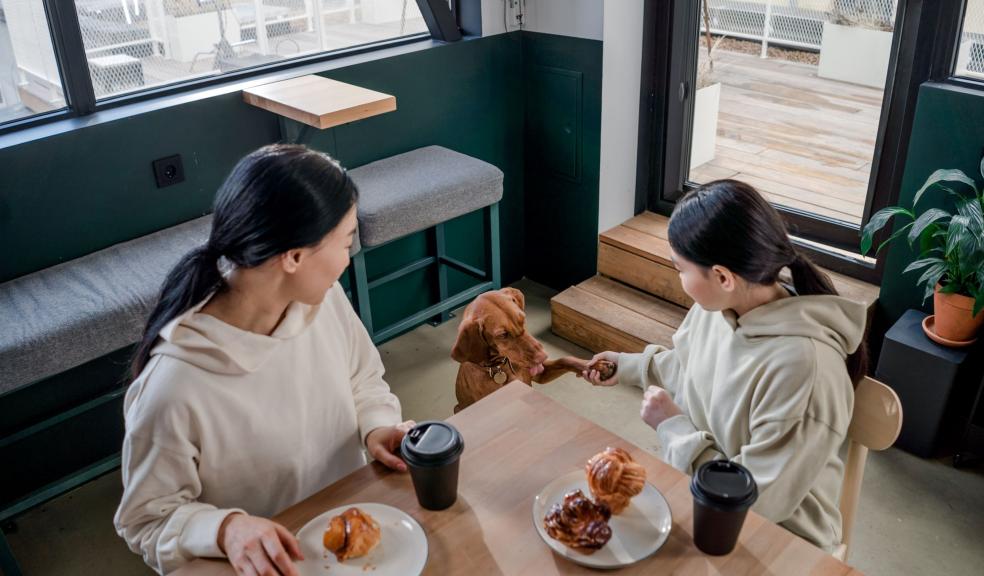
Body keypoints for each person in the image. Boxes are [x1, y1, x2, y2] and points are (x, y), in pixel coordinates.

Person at [115, 144, 412, 575]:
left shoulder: (321, 300)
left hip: (352, 533)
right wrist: (226, 529)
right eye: (347, 241)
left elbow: (363, 377)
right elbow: (146, 520)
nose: (350, 257)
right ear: (293, 257)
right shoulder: (173, 386)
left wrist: (378, 427)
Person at [582, 180, 868, 551]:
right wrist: (629, 367)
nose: (679, 278)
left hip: (778, 540)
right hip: (704, 498)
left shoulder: (805, 370)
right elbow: (693, 372)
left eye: (680, 269)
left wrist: (673, 427)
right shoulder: (720, 307)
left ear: (722, 276)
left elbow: (757, 499)